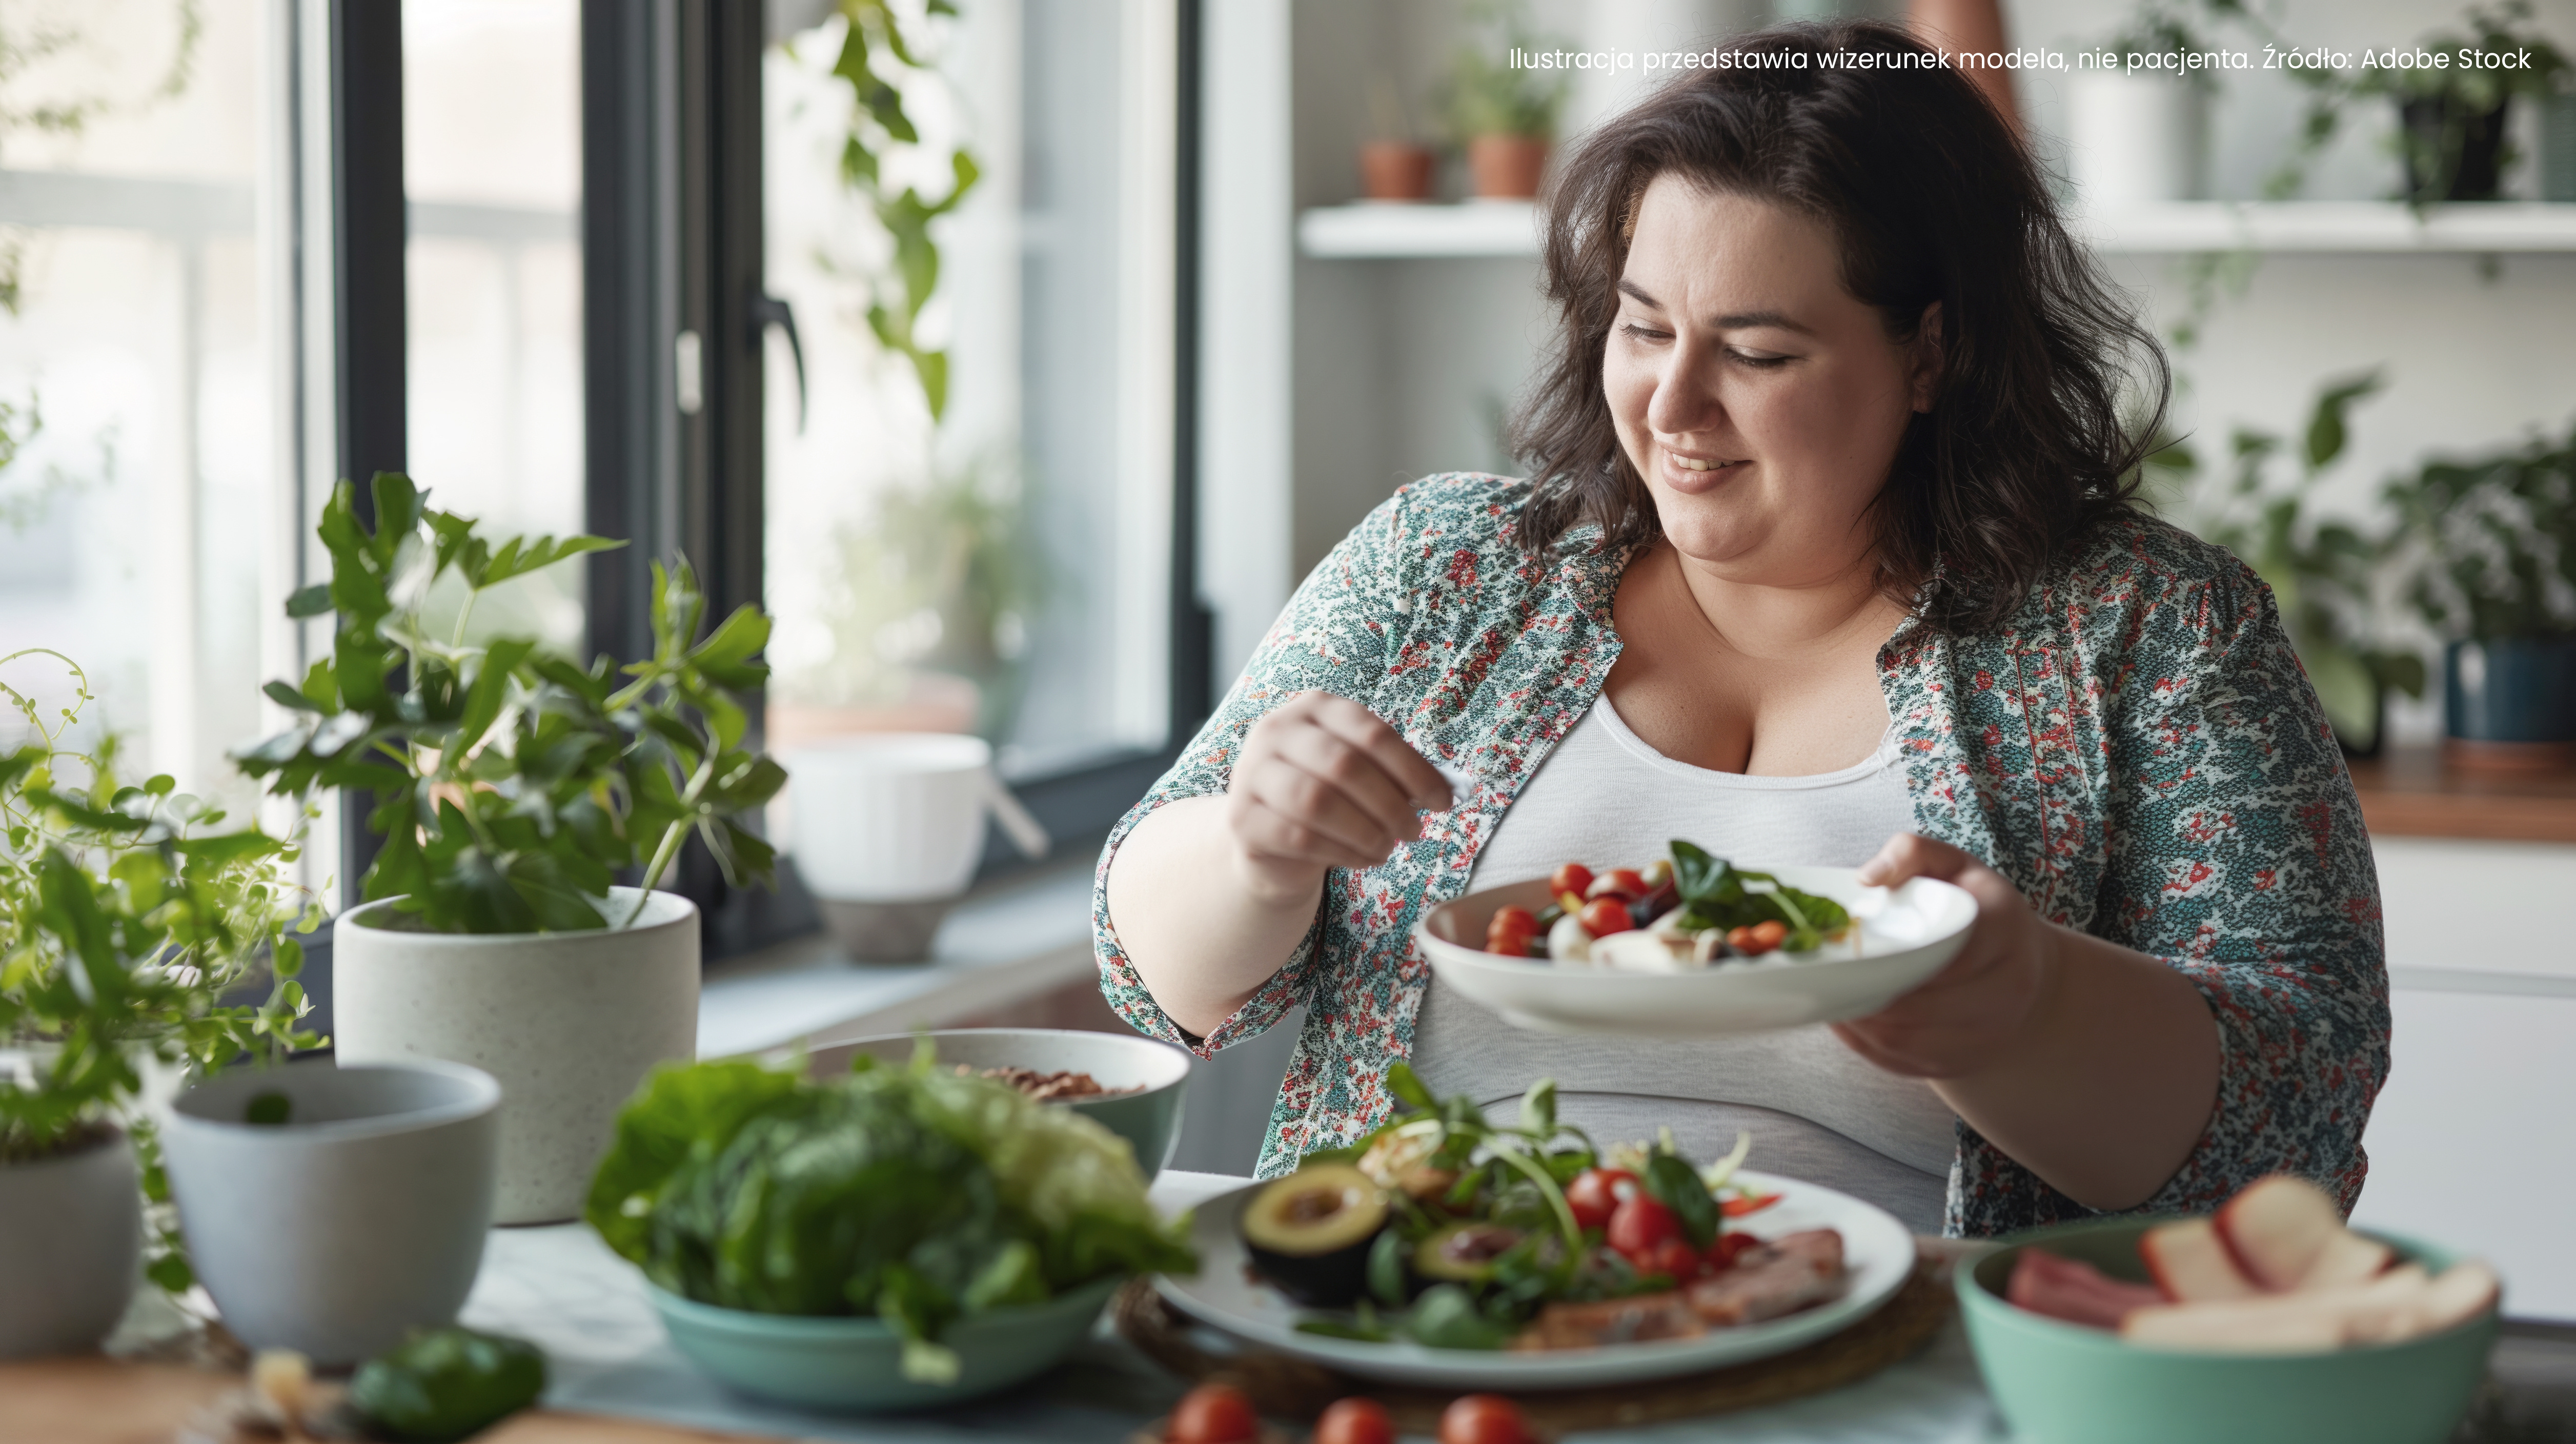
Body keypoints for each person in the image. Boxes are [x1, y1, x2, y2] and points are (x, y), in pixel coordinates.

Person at [1093, 21, 2388, 1236]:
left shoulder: (2151, 629)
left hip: (1904, 1362)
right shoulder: (1444, 567)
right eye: (1643, 327)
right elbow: (1146, 972)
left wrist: (2026, 1006)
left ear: (1929, 354)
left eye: (1759, 355)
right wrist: (1256, 850)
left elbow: (2300, 1114)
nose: (1672, 405)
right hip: (1410, 1324)